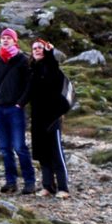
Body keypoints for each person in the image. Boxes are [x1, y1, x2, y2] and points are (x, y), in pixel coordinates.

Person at [0, 28, 36, 194]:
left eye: (9, 38)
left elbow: (29, 85)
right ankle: (10, 182)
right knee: (4, 148)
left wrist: (20, 104)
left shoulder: (22, 60)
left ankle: (30, 182)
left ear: (15, 41)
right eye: (3, 38)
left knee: (19, 147)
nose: (5, 40)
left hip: (15, 110)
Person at [28, 38, 70, 198]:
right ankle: (48, 186)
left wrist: (51, 53)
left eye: (40, 48)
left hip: (52, 118)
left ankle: (63, 188)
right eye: (34, 48)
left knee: (56, 153)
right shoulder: (33, 70)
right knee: (43, 153)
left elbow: (53, 72)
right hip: (38, 118)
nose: (37, 50)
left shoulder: (52, 68)